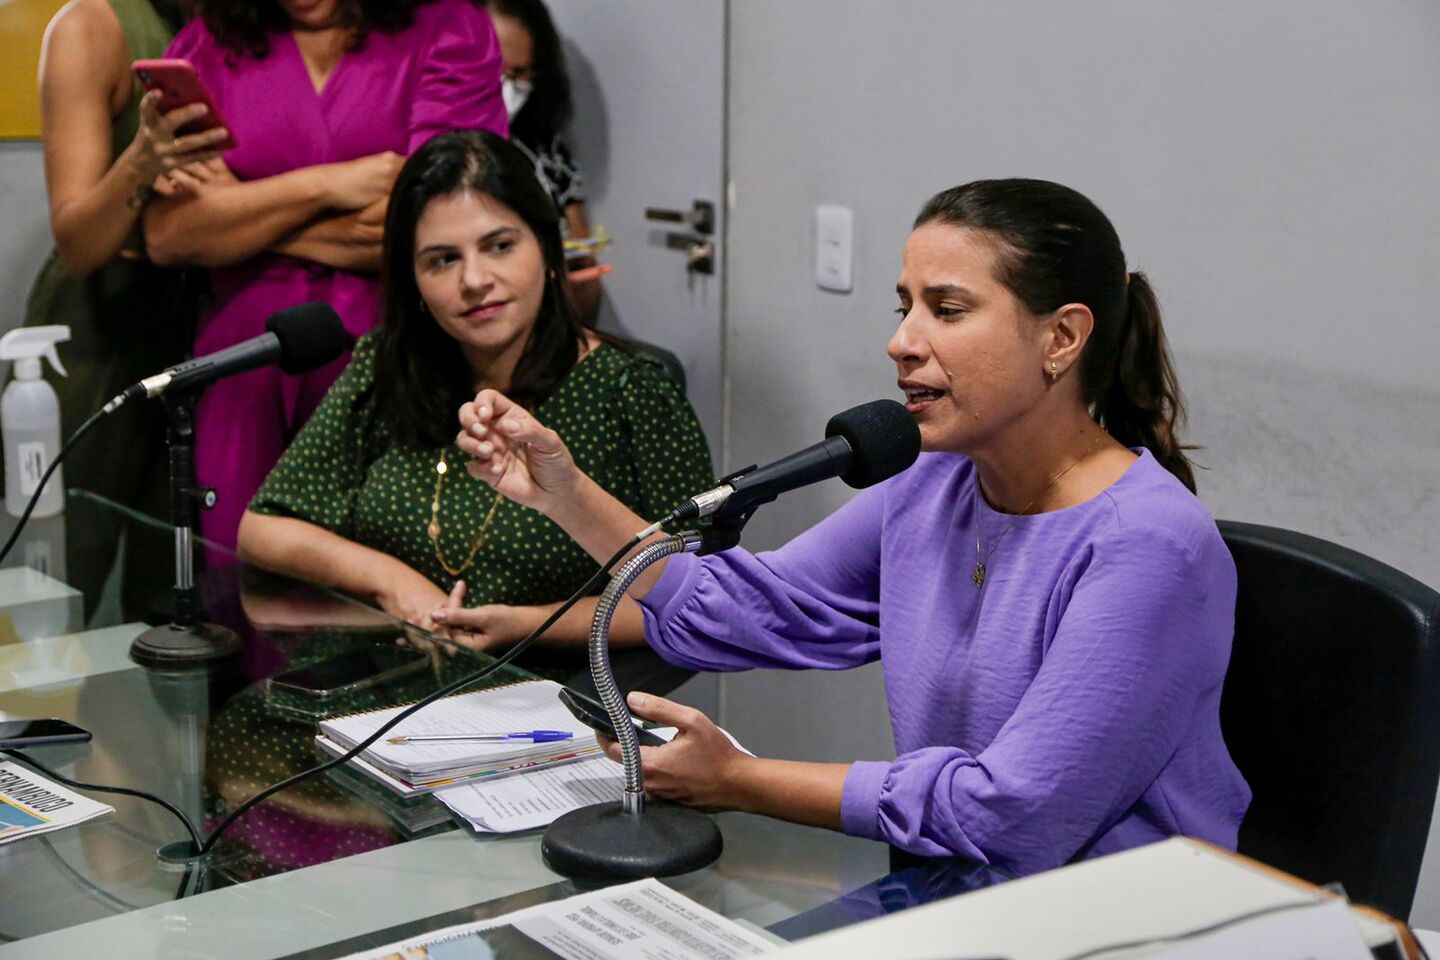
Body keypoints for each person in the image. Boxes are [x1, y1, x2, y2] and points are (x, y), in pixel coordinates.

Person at [450, 179, 1252, 875]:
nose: (902, 342)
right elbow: (750, 612)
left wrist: (741, 781)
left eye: (948, 309)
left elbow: (1010, 816)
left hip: (1116, 924)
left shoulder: (1149, 545)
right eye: (905, 308)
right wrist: (563, 493)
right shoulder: (935, 483)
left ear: (1063, 338)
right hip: (949, 895)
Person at [238, 130, 714, 694]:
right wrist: (396, 583)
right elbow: (263, 528)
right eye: (442, 260)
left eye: (500, 246)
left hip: (549, 695)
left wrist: (525, 626)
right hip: (381, 685)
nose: (474, 280)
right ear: (413, 280)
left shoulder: (633, 391)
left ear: (547, 249)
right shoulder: (389, 367)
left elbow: (702, 596)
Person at [143, 0, 508, 553]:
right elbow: (169, 236)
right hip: (242, 370)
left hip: (397, 360)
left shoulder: (448, 28)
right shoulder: (207, 45)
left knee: (398, 571)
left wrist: (237, 211)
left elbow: (437, 221)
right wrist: (332, 185)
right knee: (237, 573)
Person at [18, 0, 224, 618]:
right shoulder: (93, 26)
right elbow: (78, 240)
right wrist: (142, 159)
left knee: (177, 597)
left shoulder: (252, 29)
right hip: (96, 327)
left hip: (208, 322)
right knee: (52, 580)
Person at [483, 0, 602, 322]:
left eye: (521, 75)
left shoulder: (547, 151)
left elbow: (587, 275)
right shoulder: (428, 149)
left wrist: (577, 277)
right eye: (495, 71)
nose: (507, 91)